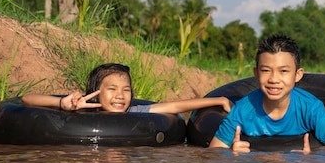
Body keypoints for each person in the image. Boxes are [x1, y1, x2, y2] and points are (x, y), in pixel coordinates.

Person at [208, 34, 325, 152]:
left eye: (283, 71)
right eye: (266, 70)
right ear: (256, 73)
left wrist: (312, 161)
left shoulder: (311, 108)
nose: (274, 79)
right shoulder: (242, 111)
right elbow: (213, 154)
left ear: (298, 75)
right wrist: (231, 156)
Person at [21, 63, 233, 114]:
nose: (120, 96)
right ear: (96, 92)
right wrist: (61, 103)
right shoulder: (82, 110)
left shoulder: (134, 113)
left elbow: (176, 106)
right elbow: (27, 100)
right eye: (112, 89)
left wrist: (219, 100)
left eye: (126, 90)